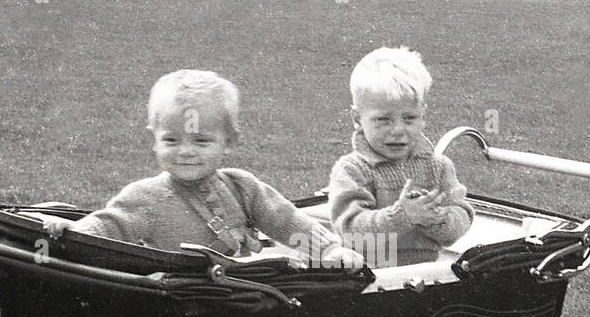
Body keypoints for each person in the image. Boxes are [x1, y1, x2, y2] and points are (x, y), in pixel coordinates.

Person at [49, 69, 363, 269]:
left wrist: (329, 250)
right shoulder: (147, 197)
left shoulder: (243, 187)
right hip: (184, 302)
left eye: (201, 141)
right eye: (171, 139)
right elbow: (110, 226)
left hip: (241, 294)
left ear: (229, 142)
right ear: (154, 140)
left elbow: (287, 221)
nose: (185, 151)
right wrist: (75, 232)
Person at [328, 46, 473, 267]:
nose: (398, 130)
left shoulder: (438, 167)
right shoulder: (353, 170)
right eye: (383, 119)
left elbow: (462, 212)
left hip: (429, 275)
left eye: (409, 118)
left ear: (423, 116)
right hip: (371, 279)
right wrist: (403, 216)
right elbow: (350, 230)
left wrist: (435, 219)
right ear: (357, 118)